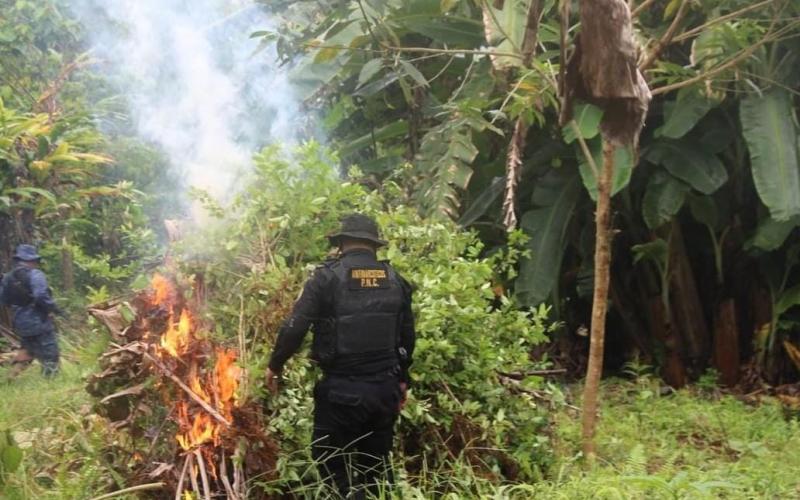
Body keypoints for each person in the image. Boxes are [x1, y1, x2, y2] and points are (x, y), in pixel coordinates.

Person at [265, 213, 415, 498]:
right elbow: (407, 337)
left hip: (342, 393)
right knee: (376, 469)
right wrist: (403, 380)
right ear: (374, 245)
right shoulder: (396, 280)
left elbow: (295, 326)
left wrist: (275, 365)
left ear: (342, 243)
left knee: (330, 461)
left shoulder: (326, 277)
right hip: (386, 390)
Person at [0, 244, 61, 378]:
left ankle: (12, 376)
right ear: (33, 260)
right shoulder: (35, 274)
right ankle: (50, 380)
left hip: (19, 322)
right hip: (38, 320)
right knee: (50, 352)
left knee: (28, 349)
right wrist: (54, 309)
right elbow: (41, 295)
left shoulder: (8, 278)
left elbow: (3, 300)